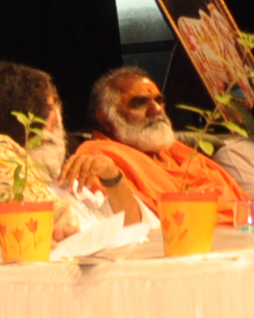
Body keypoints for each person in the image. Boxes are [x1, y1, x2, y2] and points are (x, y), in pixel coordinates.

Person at [0, 61, 122, 243]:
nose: (56, 120)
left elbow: (134, 227)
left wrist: (113, 178)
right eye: (50, 106)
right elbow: (67, 231)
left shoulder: (66, 180)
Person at [63, 65, 249, 227]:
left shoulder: (179, 154)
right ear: (107, 119)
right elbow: (134, 224)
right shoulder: (99, 158)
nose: (157, 110)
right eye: (140, 103)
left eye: (159, 101)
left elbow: (242, 209)